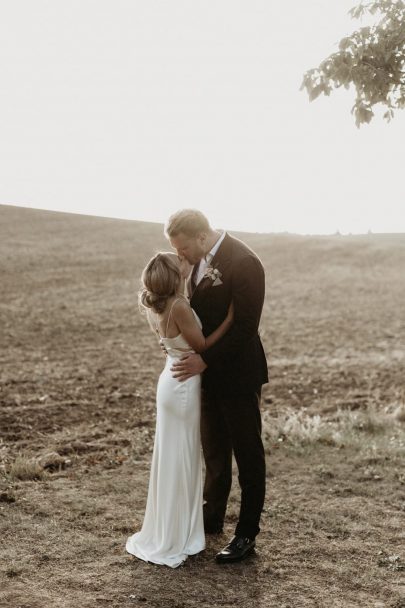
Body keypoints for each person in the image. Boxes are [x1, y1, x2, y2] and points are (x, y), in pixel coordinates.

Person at [165, 209, 268, 564]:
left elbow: (246, 327)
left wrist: (205, 360)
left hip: (238, 375)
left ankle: (246, 534)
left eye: (183, 249)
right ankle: (212, 519)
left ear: (202, 237)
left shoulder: (244, 262)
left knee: (248, 454)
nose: (181, 256)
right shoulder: (192, 263)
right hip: (204, 377)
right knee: (215, 454)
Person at [125, 252, 234, 568]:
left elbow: (171, 344)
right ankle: (177, 533)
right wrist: (230, 319)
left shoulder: (158, 305)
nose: (187, 263)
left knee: (173, 455)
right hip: (183, 386)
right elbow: (200, 346)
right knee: (182, 455)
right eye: (181, 263)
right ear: (176, 275)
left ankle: (174, 527)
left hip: (171, 378)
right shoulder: (180, 306)